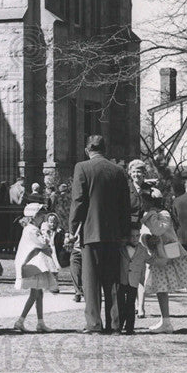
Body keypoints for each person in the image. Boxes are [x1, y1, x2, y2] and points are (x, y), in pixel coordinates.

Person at [67, 135, 130, 334]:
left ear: (87, 150)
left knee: (91, 282)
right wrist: (124, 232)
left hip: (90, 232)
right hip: (113, 234)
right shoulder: (118, 171)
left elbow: (78, 200)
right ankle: (115, 323)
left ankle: (94, 323)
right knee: (112, 281)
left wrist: (72, 228)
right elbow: (125, 205)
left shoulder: (82, 167)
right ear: (105, 149)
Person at [140, 188, 187, 333]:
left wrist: (149, 214)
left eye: (144, 201)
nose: (142, 204)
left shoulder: (163, 214)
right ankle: (165, 321)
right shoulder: (152, 215)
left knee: (162, 287)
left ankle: (166, 322)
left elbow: (158, 230)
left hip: (167, 257)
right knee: (160, 288)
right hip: (159, 256)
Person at [14, 202, 59, 332]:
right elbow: (41, 244)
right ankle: (20, 321)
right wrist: (46, 239)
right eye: (40, 215)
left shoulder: (30, 229)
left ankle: (40, 323)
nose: (43, 217)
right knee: (35, 294)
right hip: (33, 265)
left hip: (36, 265)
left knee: (39, 293)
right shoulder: (32, 230)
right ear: (33, 216)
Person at [121, 159, 149, 327]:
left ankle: (141, 306)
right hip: (130, 234)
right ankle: (128, 311)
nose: (137, 174)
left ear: (144, 173)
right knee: (129, 273)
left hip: (145, 232)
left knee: (143, 273)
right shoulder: (126, 189)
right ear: (130, 173)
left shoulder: (150, 191)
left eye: (140, 171)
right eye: (134, 171)